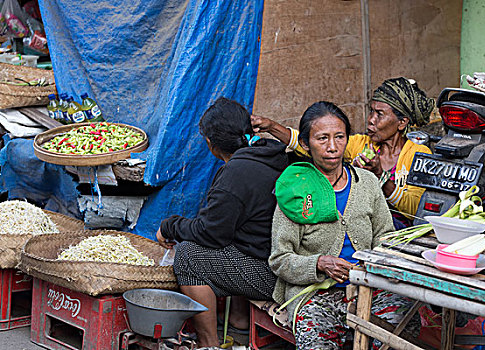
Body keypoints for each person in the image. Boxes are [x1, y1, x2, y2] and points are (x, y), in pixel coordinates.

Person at [269, 101, 421, 349]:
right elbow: (280, 259)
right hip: (315, 294)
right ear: (306, 144)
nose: (332, 147)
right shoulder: (297, 191)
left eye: (339, 137)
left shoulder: (368, 182)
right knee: (316, 339)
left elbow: (385, 235)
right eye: (322, 139)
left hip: (369, 288)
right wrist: (319, 263)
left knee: (403, 324)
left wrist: (373, 264)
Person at [156, 97, 288, 349]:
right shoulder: (272, 151)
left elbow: (211, 234)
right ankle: (238, 319)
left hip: (273, 273)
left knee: (188, 257)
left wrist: (170, 226)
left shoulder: (237, 173)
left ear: (211, 144)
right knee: (240, 236)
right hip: (278, 258)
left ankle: (209, 343)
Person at [252, 77, 435, 227]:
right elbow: (314, 143)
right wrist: (272, 126)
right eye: (371, 111)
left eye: (379, 114)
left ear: (401, 122)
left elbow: (415, 210)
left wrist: (380, 176)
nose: (370, 120)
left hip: (396, 232)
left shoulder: (417, 153)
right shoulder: (361, 144)